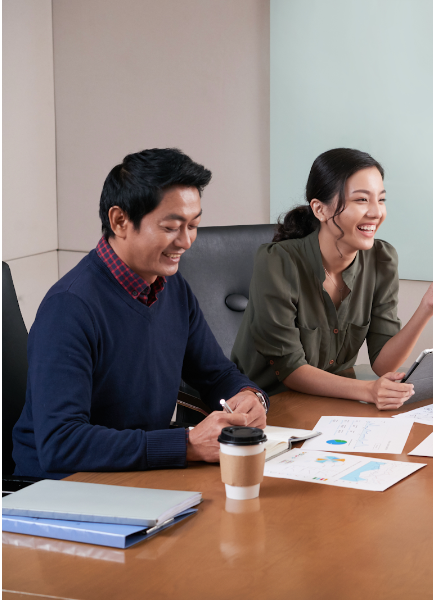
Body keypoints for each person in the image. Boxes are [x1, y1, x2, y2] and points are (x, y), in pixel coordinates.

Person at [12, 148, 268, 480]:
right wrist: (187, 443)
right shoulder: (70, 307)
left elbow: (217, 374)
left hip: (140, 473)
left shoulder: (171, 288)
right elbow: (61, 444)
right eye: (172, 227)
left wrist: (250, 396)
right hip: (65, 487)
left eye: (194, 225)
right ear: (120, 221)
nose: (187, 241)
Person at [232, 148, 433, 410]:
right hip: (265, 408)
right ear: (320, 209)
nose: (376, 212)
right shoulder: (277, 262)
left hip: (332, 405)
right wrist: (369, 390)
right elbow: (291, 369)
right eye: (361, 200)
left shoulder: (382, 259)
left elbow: (383, 363)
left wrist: (427, 307)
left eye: (380, 200)